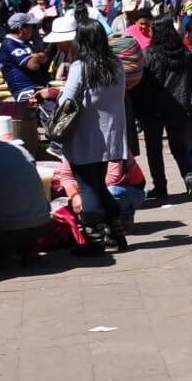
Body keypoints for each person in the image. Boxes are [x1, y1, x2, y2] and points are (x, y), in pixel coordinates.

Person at [59, 22, 134, 252]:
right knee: (98, 185)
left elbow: (66, 101)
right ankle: (117, 233)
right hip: (110, 133)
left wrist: (56, 92)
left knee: (88, 187)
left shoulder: (80, 66)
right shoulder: (116, 64)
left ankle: (93, 240)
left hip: (84, 134)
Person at [138, 14, 192, 200]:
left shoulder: (149, 55)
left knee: (154, 149)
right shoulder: (187, 54)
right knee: (180, 147)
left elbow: (142, 82)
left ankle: (160, 187)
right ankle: (189, 175)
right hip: (180, 107)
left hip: (153, 109)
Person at [0, 135, 55, 267]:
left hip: (0, 230)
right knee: (21, 205)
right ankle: (29, 248)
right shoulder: (22, 151)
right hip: (41, 224)